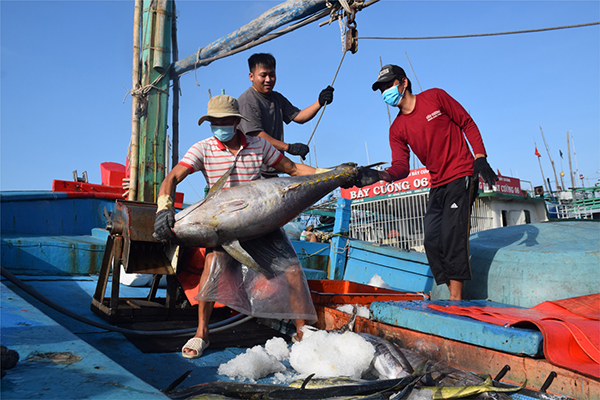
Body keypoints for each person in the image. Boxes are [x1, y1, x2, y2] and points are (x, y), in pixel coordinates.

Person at [153, 94, 320, 359]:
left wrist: (333, 174)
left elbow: (293, 169)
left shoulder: (259, 146)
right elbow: (173, 177)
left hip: (260, 222)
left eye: (222, 121)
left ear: (236, 121)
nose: (218, 126)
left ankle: (303, 331)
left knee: (292, 268)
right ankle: (201, 333)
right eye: (213, 121)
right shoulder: (203, 148)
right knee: (212, 269)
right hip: (224, 226)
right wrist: (164, 207)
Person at [359, 64, 498, 301]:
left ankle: (456, 300)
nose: (385, 93)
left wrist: (480, 157)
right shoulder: (396, 129)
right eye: (381, 89)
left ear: (403, 83)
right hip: (438, 183)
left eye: (387, 86)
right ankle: (450, 288)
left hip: (461, 174)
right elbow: (401, 167)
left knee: (453, 235)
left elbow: (467, 123)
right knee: (431, 240)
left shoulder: (435, 97)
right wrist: (380, 176)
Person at [238, 53, 334, 177]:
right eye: (263, 75)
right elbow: (257, 136)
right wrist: (288, 147)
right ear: (251, 76)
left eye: (272, 75)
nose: (268, 79)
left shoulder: (277, 98)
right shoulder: (247, 100)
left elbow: (299, 117)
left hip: (273, 170)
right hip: (253, 173)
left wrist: (319, 102)